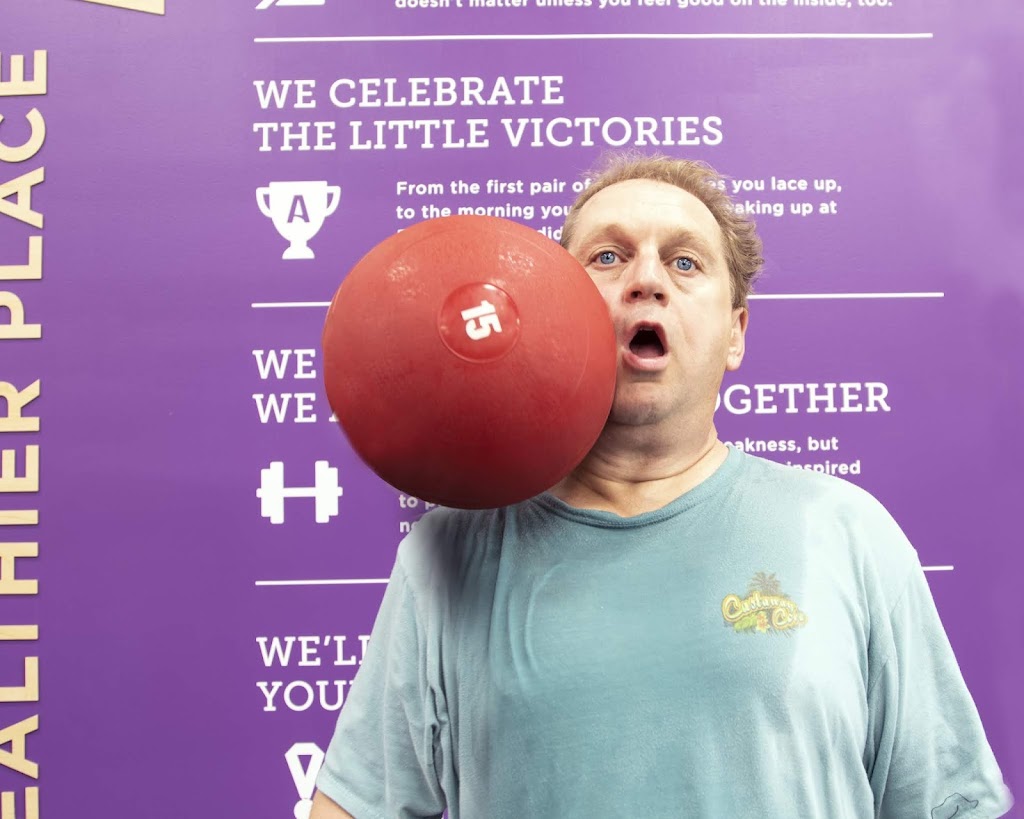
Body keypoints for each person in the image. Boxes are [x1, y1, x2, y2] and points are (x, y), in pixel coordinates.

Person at [310, 154, 1013, 818]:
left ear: (735, 334)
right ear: (553, 306)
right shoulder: (449, 554)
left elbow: (949, 803)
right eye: (607, 257)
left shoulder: (846, 530)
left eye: (684, 262)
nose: (646, 278)